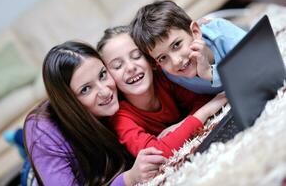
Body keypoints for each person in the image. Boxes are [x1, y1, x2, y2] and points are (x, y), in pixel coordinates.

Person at [24, 41, 166, 186]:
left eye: (103, 74)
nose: (105, 91)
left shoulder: (118, 80)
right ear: (70, 103)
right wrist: (129, 179)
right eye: (85, 89)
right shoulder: (43, 134)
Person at [97, 26, 227, 158]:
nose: (130, 68)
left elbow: (201, 98)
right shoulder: (120, 118)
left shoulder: (164, 75)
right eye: (117, 66)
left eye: (136, 56)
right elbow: (157, 154)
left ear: (149, 59)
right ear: (108, 76)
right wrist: (206, 111)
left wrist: (181, 124)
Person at [130, 0, 247, 94]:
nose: (176, 61)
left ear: (195, 32)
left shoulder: (220, 32)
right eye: (162, 58)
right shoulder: (170, 73)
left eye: (176, 45)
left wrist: (210, 73)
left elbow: (256, 64)